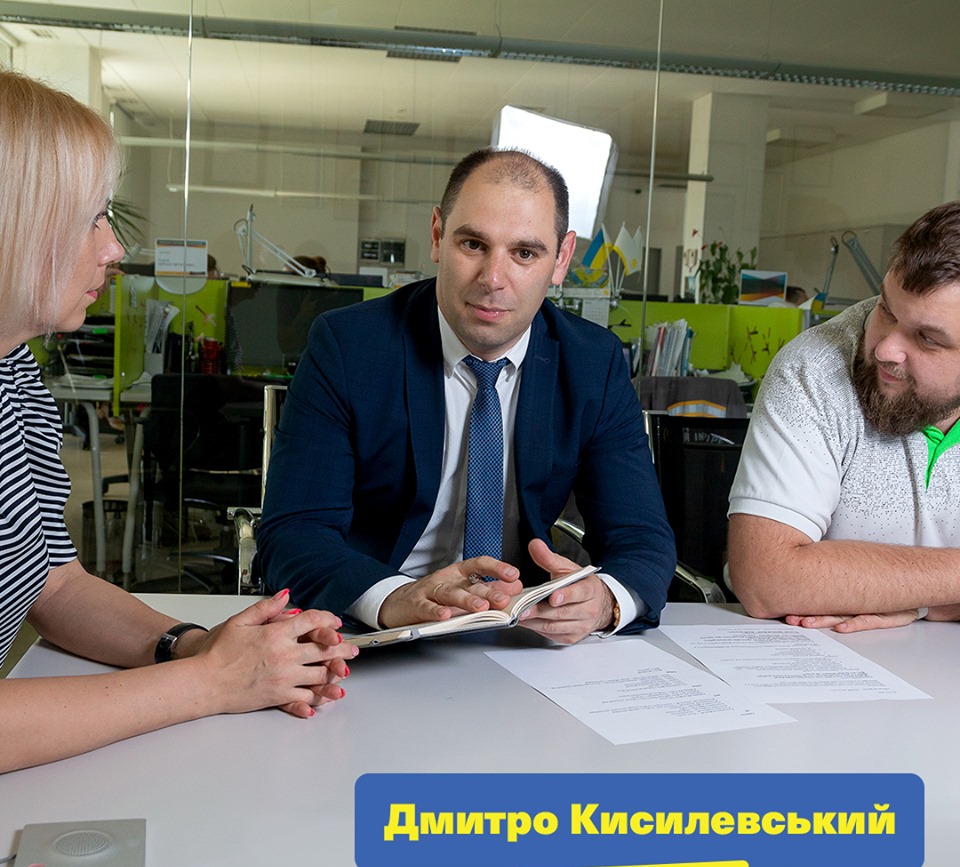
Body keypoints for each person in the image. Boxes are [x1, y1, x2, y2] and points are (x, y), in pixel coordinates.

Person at [0, 69, 357, 774]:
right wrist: (208, 684)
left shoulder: (16, 375)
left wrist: (197, 646)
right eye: (90, 219)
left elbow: (55, 584)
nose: (112, 249)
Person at [258, 147, 675, 644]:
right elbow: (294, 532)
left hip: (521, 636)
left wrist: (604, 600)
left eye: (524, 253)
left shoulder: (592, 362)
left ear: (561, 259)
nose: (493, 280)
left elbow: (642, 538)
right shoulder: (349, 347)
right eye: (474, 244)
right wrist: (393, 598)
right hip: (379, 633)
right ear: (438, 235)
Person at [728, 200, 960, 633]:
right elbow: (766, 578)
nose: (886, 349)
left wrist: (914, 603)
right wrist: (941, 597)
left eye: (928, 339)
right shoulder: (813, 367)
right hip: (821, 651)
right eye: (886, 309)